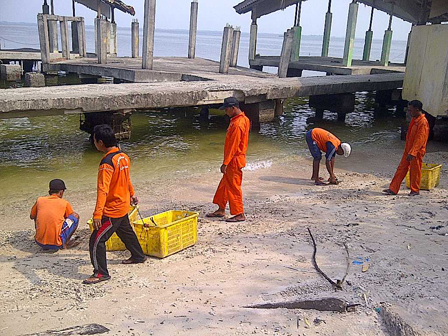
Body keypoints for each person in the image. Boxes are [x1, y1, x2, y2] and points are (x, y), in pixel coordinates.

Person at [83, 124, 146, 285]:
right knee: (126, 232)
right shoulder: (123, 156)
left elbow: (102, 190)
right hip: (123, 204)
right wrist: (132, 194)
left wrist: (97, 214)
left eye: (95, 140)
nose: (94, 143)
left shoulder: (106, 163)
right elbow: (127, 179)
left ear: (101, 143)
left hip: (112, 210)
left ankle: (100, 273)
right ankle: (138, 256)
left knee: (96, 241)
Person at [206, 97, 250, 222]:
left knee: (234, 186)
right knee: (225, 184)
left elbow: (233, 146)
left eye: (226, 109)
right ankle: (221, 208)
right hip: (235, 158)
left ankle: (239, 213)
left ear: (233, 108)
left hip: (234, 160)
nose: (225, 111)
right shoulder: (243, 119)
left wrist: (225, 163)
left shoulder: (237, 124)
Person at [384, 100, 429, 196]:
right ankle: (393, 189)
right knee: (401, 168)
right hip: (409, 149)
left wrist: (413, 152)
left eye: (410, 110)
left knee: (415, 171)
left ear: (417, 110)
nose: (409, 112)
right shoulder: (415, 119)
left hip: (416, 152)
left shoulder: (422, 122)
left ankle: (415, 190)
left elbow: (420, 140)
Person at [30, 179, 80, 250]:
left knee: (36, 214)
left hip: (39, 242)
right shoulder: (64, 203)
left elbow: (31, 216)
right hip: (56, 244)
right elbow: (68, 218)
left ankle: (43, 236)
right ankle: (65, 243)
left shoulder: (39, 200)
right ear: (61, 192)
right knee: (75, 216)